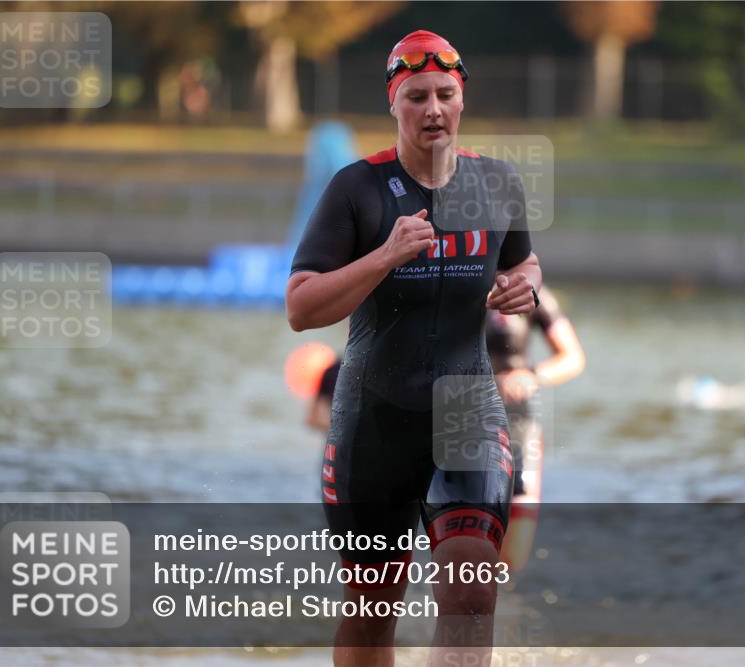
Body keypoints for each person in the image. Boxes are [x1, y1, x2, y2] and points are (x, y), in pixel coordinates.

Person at [286, 29, 542, 667]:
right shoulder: (357, 189)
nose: (433, 109)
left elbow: (527, 261)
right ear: (393, 104)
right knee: (373, 617)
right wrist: (386, 255)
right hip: (373, 420)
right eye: (417, 95)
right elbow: (300, 307)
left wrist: (524, 286)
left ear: (462, 101)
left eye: (445, 95)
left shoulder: (497, 184)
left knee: (471, 586)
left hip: (467, 411)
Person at [487, 285, 585, 571]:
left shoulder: (533, 292)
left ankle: (500, 606)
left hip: (517, 424)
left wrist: (532, 376)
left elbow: (573, 357)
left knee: (510, 559)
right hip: (456, 418)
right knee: (465, 544)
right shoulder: (444, 281)